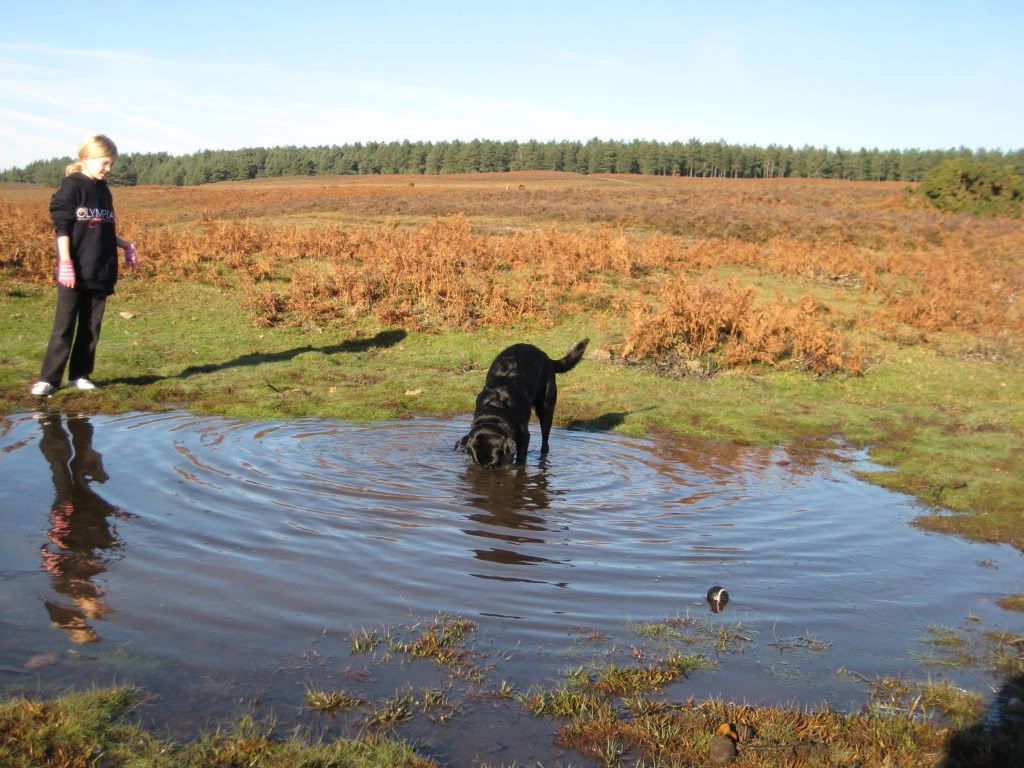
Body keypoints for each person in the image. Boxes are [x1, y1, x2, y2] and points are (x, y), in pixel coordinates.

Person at [31, 134, 138, 396]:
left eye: (111, 163)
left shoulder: (103, 189)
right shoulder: (72, 186)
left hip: (101, 268)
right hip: (74, 269)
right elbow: (62, 226)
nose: (108, 169)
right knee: (64, 325)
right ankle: (49, 379)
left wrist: (124, 245)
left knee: (91, 326)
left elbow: (101, 227)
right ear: (87, 159)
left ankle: (80, 375)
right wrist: (65, 262)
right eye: (104, 162)